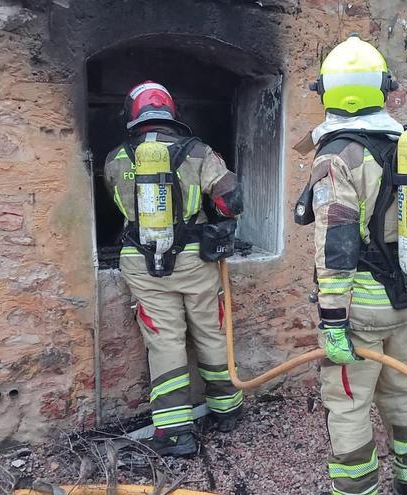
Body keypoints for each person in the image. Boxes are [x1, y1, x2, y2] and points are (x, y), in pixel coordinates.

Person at [302, 35, 407, 495]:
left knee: (347, 400)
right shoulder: (406, 144)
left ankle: (357, 488)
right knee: (402, 388)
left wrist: (332, 317)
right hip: (404, 295)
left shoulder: (338, 156)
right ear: (382, 88)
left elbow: (336, 242)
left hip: (359, 307)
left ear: (328, 92)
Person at [103, 81, 244, 457]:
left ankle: (174, 432)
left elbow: (116, 206)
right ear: (172, 113)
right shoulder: (198, 152)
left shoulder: (115, 158)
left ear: (133, 116)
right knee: (211, 332)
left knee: (163, 342)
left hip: (142, 262)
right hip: (196, 259)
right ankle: (227, 411)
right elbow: (233, 201)